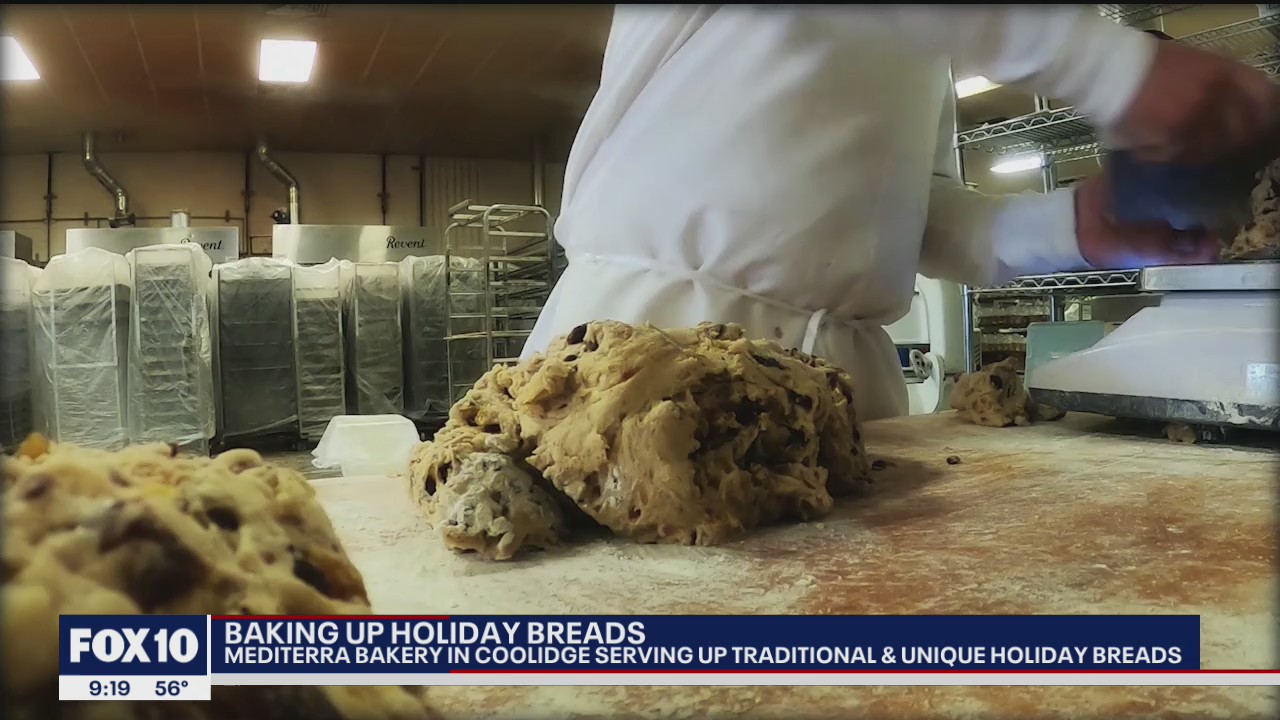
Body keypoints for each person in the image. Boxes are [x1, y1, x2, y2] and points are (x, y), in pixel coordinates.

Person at [522, 6, 1280, 421]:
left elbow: (915, 212)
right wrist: (1107, 65)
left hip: (843, 389)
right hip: (643, 354)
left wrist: (1069, 227)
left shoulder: (924, 44)